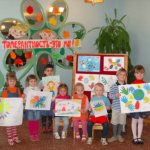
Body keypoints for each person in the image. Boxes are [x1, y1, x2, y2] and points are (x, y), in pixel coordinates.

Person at [2, 72, 22, 145]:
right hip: (8, 111)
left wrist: (23, 97)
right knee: (9, 125)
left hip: (15, 111)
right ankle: (10, 138)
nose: (12, 82)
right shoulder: (5, 91)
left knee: (14, 124)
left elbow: (20, 98)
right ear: (7, 82)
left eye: (13, 80)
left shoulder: (18, 90)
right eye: (10, 80)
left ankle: (15, 137)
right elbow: (3, 102)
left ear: (15, 81)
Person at [130, 65, 149, 144]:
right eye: (137, 73)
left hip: (143, 107)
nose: (139, 75)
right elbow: (129, 96)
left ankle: (139, 137)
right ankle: (134, 137)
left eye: (141, 73)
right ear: (134, 74)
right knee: (134, 121)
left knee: (141, 121)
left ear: (144, 74)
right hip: (135, 107)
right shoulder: (131, 85)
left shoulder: (146, 85)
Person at [108, 68, 127, 143]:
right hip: (115, 108)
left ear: (125, 76)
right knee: (115, 122)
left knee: (121, 122)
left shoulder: (127, 86)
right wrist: (115, 95)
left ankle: (119, 135)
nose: (122, 76)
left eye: (124, 75)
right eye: (121, 74)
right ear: (117, 76)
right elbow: (110, 95)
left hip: (124, 108)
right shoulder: (114, 86)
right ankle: (114, 136)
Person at [24, 74, 41, 141]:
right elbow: (25, 98)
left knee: (36, 121)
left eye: (34, 81)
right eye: (31, 81)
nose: (33, 82)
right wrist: (24, 98)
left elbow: (40, 97)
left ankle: (36, 134)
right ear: (28, 82)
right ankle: (31, 134)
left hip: (37, 108)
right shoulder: (26, 89)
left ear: (36, 81)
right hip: (30, 108)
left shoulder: (38, 89)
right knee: (31, 121)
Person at [40, 64, 55, 133]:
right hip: (44, 100)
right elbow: (38, 90)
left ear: (53, 72)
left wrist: (58, 85)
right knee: (43, 114)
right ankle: (43, 127)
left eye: (51, 71)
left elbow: (58, 89)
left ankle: (49, 126)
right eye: (48, 71)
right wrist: (41, 88)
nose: (49, 72)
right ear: (44, 72)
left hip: (52, 100)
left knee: (50, 114)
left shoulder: (55, 81)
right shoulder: (42, 81)